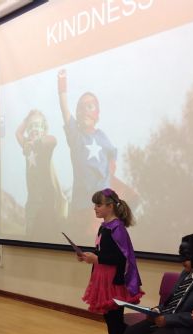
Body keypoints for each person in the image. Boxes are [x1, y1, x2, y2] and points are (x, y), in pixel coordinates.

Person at [78, 188, 143, 334]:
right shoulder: (105, 227)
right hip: (103, 278)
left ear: (110, 206)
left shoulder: (117, 228)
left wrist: (97, 258)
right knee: (111, 322)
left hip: (114, 282)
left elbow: (121, 258)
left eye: (98, 205)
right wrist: (89, 257)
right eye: (95, 205)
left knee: (115, 324)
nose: (95, 208)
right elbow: (103, 252)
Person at [57, 70, 117, 237]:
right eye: (81, 107)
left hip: (100, 204)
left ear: (97, 113)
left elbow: (112, 157)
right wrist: (62, 84)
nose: (85, 111)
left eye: (90, 106)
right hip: (80, 204)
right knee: (80, 240)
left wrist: (108, 180)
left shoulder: (102, 136)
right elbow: (64, 110)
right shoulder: (76, 136)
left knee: (97, 239)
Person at [16, 110, 66, 239]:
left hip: (46, 202)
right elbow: (18, 133)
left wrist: (35, 143)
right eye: (31, 126)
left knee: (48, 236)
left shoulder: (44, 144)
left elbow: (53, 140)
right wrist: (27, 118)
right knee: (31, 236)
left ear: (43, 128)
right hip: (32, 202)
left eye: (37, 125)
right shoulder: (27, 146)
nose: (34, 129)